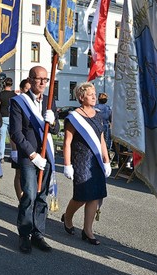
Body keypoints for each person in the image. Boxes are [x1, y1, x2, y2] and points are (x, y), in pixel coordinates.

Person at [9, 66, 60, 254]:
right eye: (38, 79)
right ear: (30, 80)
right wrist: (32, 155)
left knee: (42, 196)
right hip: (29, 156)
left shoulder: (49, 101)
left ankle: (39, 233)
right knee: (29, 194)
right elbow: (15, 132)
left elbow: (56, 131)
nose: (42, 83)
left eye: (45, 80)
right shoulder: (19, 102)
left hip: (47, 155)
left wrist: (54, 122)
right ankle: (24, 234)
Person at [62, 82, 111, 245]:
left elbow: (101, 139)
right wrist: (67, 165)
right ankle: (68, 217)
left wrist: (107, 159)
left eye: (94, 94)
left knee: (95, 196)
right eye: (90, 94)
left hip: (95, 160)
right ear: (81, 97)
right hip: (81, 159)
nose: (94, 96)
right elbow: (67, 142)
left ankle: (88, 230)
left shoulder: (97, 115)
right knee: (82, 195)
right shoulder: (73, 117)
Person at [10, 79, 31, 201]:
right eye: (27, 89)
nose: (29, 91)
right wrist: (13, 149)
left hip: (31, 144)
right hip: (18, 145)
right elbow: (13, 130)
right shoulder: (17, 103)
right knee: (19, 174)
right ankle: (20, 199)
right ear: (22, 89)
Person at [0, 77, 15, 163]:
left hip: (2, 117)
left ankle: (1, 156)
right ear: (11, 84)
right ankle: (13, 155)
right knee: (12, 138)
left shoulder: (0, 94)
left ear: (4, 84)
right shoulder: (14, 95)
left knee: (2, 138)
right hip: (11, 117)